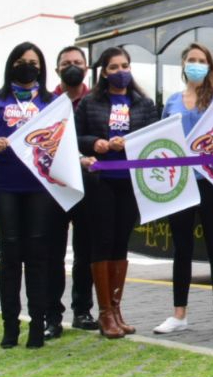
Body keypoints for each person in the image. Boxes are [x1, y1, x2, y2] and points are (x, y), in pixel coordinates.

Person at [0, 42, 61, 349]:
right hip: (3, 185)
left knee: (37, 256)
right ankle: (10, 327)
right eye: (22, 61)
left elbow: (61, 141)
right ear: (12, 65)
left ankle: (38, 326)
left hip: (39, 186)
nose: (28, 66)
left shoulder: (52, 101)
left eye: (34, 62)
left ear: (42, 68)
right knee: (9, 255)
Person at [75, 45, 159, 339]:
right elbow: (77, 138)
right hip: (100, 181)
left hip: (130, 181)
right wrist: (96, 143)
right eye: (114, 67)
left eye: (125, 66)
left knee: (121, 242)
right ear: (103, 72)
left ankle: (116, 308)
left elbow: (152, 139)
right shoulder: (89, 103)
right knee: (103, 241)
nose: (121, 72)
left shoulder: (144, 104)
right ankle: (104, 313)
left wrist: (131, 143)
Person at [153, 42, 213, 335]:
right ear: (183, 65)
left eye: (202, 60)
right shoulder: (173, 100)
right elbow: (161, 139)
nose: (196, 64)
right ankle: (179, 314)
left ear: (210, 68)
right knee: (182, 247)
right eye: (191, 60)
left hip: (211, 181)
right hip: (180, 182)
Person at [47, 45, 97, 335]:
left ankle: (83, 310)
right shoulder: (46, 103)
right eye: (66, 63)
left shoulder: (96, 101)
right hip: (53, 187)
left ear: (86, 68)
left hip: (89, 186)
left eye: (77, 62)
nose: (72, 67)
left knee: (86, 253)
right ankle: (52, 315)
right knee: (52, 253)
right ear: (57, 70)